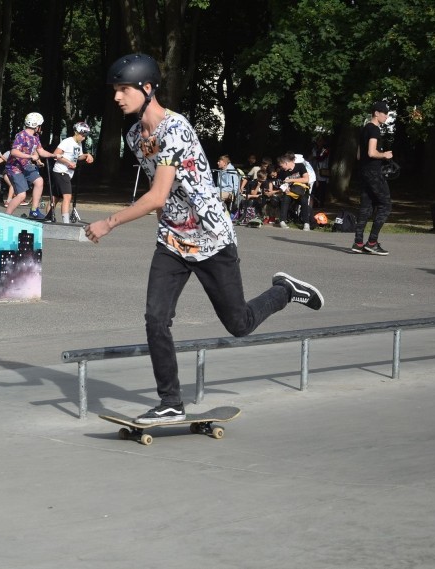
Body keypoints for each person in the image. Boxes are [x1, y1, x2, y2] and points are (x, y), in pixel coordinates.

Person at [84, 53, 324, 425]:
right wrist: (165, 225)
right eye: (115, 90)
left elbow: (158, 194)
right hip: (173, 241)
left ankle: (285, 291)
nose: (117, 97)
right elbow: (156, 182)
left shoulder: (175, 129)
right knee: (155, 318)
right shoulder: (134, 135)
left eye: (123, 89)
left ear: (147, 89)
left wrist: (110, 222)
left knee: (238, 324)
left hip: (211, 236)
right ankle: (170, 402)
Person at [351, 101, 394, 255]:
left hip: (363, 172)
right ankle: (372, 242)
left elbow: (358, 155)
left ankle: (358, 242)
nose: (387, 116)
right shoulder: (374, 129)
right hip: (373, 173)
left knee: (366, 206)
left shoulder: (364, 129)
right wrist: (385, 155)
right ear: (376, 113)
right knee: (385, 205)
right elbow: (371, 153)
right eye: (385, 113)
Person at [4, 112, 57, 219]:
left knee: (39, 181)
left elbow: (41, 152)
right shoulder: (21, 136)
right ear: (36, 125)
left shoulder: (35, 137)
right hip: (15, 168)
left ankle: (34, 211)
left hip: (25, 166)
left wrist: (54, 155)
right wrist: (30, 157)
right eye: (40, 125)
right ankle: (6, 217)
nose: (40, 127)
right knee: (22, 195)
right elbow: (14, 152)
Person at [51, 121, 95, 223]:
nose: (84, 137)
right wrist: (68, 162)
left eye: (86, 135)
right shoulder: (67, 142)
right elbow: (55, 154)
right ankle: (66, 222)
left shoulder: (78, 144)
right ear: (77, 132)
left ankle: (49, 217)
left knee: (55, 197)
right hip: (61, 171)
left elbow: (78, 157)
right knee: (67, 196)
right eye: (83, 134)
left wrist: (87, 155)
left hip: (67, 173)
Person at [275, 152, 311, 230]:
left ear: (286, 163)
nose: (281, 167)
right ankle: (282, 221)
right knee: (285, 198)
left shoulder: (300, 166)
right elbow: (279, 183)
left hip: (301, 191)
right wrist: (284, 188)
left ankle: (306, 223)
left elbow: (306, 179)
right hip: (290, 192)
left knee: (304, 200)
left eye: (282, 166)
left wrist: (291, 180)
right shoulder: (282, 172)